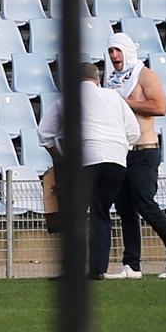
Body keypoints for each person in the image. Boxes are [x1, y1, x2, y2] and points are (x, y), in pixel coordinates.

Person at [38, 63, 140, 279]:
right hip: (116, 161)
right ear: (98, 79)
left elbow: (44, 132)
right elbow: (134, 132)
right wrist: (120, 149)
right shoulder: (114, 98)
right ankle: (98, 270)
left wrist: (59, 158)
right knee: (101, 214)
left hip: (86, 159)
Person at [103, 33, 166, 279]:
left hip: (144, 151)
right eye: (111, 52)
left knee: (144, 202)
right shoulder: (112, 80)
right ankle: (132, 265)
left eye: (117, 51)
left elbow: (160, 107)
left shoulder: (145, 75)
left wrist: (125, 102)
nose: (114, 56)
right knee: (124, 207)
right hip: (122, 151)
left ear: (127, 50)